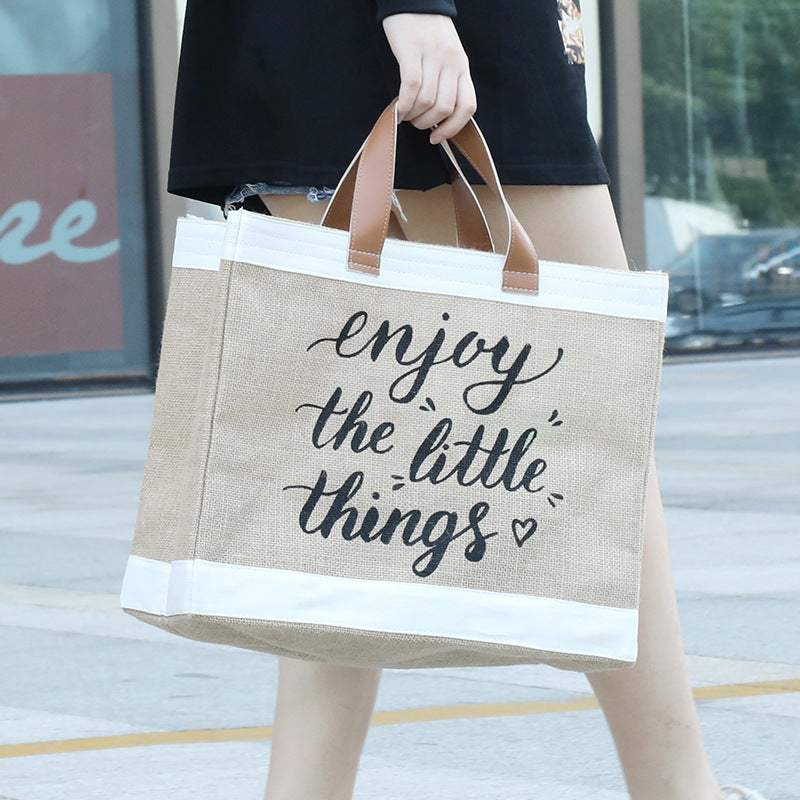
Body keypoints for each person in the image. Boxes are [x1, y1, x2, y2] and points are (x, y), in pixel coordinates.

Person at [167, 3, 765, 799]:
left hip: (322, 40)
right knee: (594, 419)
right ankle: (679, 789)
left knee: (352, 454)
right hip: (433, 34)